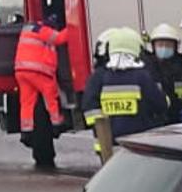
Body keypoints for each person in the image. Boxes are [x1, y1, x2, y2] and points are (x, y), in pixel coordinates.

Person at [81, 27, 169, 162]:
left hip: (108, 147)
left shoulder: (99, 77)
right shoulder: (142, 76)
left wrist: (102, 126)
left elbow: (89, 108)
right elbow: (160, 105)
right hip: (139, 146)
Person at [13, 12, 71, 171]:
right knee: (50, 97)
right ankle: (56, 123)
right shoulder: (44, 30)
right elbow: (60, 39)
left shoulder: (28, 28)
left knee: (27, 103)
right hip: (39, 71)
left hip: (21, 71)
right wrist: (72, 27)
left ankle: (27, 130)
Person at [145, 23, 182, 122]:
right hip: (156, 121)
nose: (164, 48)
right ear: (153, 46)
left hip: (181, 119)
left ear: (175, 46)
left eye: (168, 45)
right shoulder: (147, 68)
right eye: (160, 45)